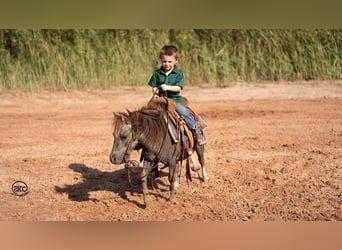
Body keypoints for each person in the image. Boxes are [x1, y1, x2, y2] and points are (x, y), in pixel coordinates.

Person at [148, 45, 205, 145]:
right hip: (160, 99)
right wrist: (155, 93)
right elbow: (153, 86)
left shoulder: (178, 73)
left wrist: (168, 87)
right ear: (161, 60)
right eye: (164, 61)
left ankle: (196, 132)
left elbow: (179, 87)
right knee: (147, 112)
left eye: (169, 62)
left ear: (176, 61)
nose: (166, 64)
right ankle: (146, 135)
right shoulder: (157, 73)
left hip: (174, 100)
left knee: (184, 112)